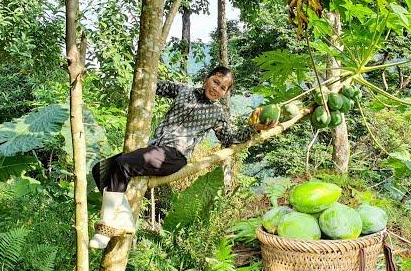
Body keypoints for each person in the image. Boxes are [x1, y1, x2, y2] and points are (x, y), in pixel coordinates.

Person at [88, 65, 279, 249]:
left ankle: (105, 229)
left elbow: (229, 139)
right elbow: (151, 86)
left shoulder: (217, 113)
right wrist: (142, 72)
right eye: (215, 81)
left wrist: (255, 128)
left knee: (124, 163)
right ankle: (124, 219)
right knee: (100, 169)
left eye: (223, 88)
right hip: (152, 149)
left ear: (225, 92)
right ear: (207, 79)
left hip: (173, 156)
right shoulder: (183, 90)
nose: (216, 89)